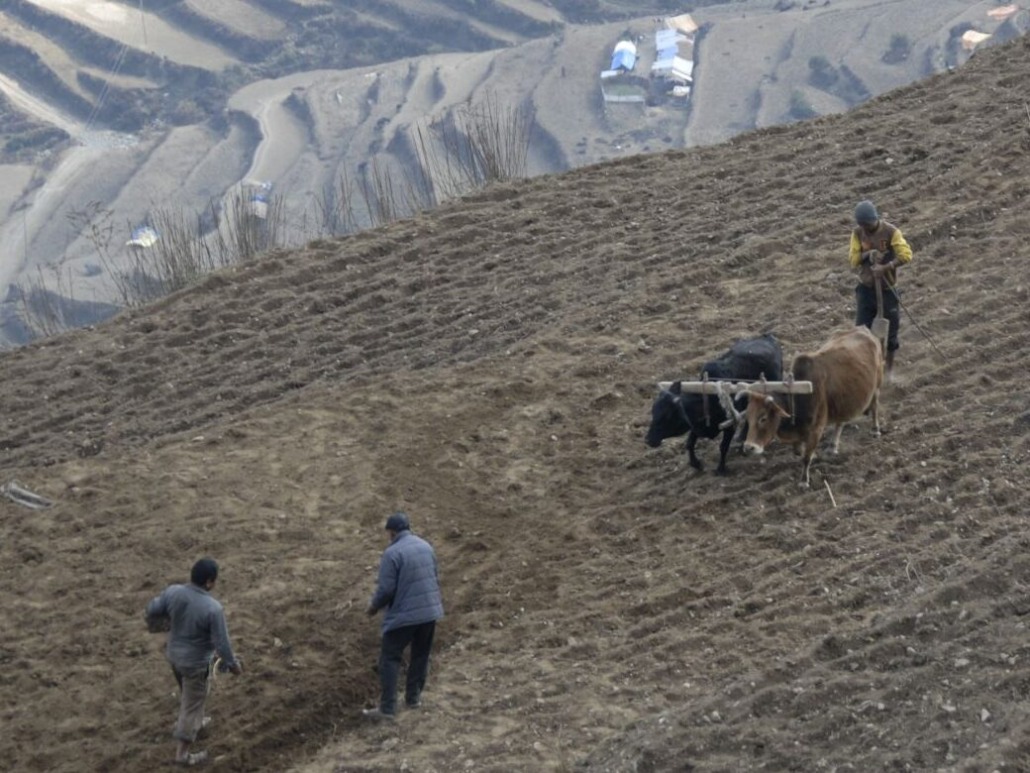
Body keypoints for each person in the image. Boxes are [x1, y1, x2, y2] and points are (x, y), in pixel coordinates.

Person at [145, 557, 243, 766]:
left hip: (173, 656)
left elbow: (152, 608)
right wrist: (233, 665)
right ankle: (182, 754)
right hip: (197, 663)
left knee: (188, 692)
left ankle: (195, 721)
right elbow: (222, 644)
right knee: (193, 704)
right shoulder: (212, 608)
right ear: (209, 582)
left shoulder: (174, 591)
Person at [363, 511, 444, 721]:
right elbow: (434, 576)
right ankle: (413, 699)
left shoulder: (392, 553)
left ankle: (388, 709)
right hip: (429, 612)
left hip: (405, 616)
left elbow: (387, 589)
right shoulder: (426, 546)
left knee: (390, 658)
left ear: (391, 532)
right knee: (420, 655)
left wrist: (373, 607)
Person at [849, 199, 913, 380]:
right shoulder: (857, 233)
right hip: (866, 290)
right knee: (861, 331)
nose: (866, 229)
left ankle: (889, 371)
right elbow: (853, 260)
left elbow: (906, 255)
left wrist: (886, 267)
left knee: (891, 333)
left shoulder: (891, 232)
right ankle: (865, 368)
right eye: (863, 225)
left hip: (887, 290)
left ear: (875, 219)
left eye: (868, 225)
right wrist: (868, 255)